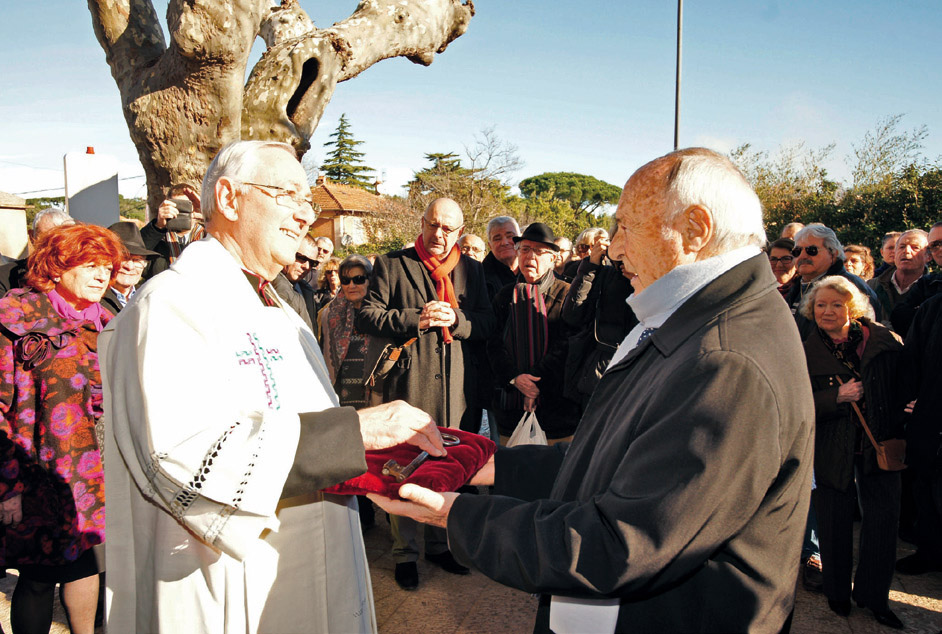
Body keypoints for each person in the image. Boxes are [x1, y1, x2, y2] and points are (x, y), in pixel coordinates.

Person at [370, 148, 815, 633]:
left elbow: (621, 544)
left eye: (626, 227)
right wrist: (476, 462)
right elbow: (611, 462)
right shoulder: (700, 324)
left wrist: (455, 516)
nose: (617, 249)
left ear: (694, 230)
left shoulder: (726, 361)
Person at [99, 140, 447, 634]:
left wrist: (381, 459)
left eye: (308, 202)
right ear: (228, 197)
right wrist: (352, 433)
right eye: (289, 195)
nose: (305, 215)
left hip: (319, 549)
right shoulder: (172, 305)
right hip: (232, 574)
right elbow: (182, 457)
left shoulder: (281, 313)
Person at [357, 197, 495, 591]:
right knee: (404, 465)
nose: (439, 234)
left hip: (457, 388)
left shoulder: (472, 270)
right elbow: (367, 316)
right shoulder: (392, 264)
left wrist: (460, 320)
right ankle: (405, 554)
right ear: (422, 223)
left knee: (448, 465)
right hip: (409, 382)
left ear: (460, 229)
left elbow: (488, 323)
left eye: (448, 228)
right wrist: (413, 319)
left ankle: (440, 545)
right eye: (433, 225)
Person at [0, 223, 126, 634]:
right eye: (90, 264)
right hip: (38, 474)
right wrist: (9, 487)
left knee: (87, 565)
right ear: (56, 266)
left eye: (107, 266)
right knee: (38, 579)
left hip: (97, 475)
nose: (101, 274)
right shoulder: (17, 316)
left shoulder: (108, 322)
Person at [800, 276, 905, 629]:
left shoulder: (884, 340)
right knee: (833, 522)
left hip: (881, 443)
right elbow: (796, 403)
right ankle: (837, 595)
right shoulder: (805, 350)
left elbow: (905, 379)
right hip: (833, 445)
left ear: (854, 308)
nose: (827, 311)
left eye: (836, 304)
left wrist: (910, 402)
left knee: (883, 522)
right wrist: (836, 397)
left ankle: (875, 598)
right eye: (820, 305)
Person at [488, 223, 582, 443]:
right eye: (525, 249)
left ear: (553, 259)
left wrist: (534, 384)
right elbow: (493, 343)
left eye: (540, 252)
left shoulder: (567, 294)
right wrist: (514, 378)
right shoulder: (504, 295)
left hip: (556, 409)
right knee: (513, 471)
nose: (531, 256)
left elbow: (566, 346)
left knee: (555, 471)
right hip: (510, 405)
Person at [560, 226, 637, 407]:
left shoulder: (657, 276)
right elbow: (572, 314)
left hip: (636, 375)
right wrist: (590, 266)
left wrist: (642, 281)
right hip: (598, 375)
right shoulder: (605, 273)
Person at [894, 291, 942, 577]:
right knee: (925, 489)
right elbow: (911, 358)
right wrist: (910, 401)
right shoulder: (933, 307)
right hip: (927, 417)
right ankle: (930, 552)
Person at [784, 224, 883, 337]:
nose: (802, 256)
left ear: (833, 253)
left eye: (811, 250)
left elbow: (862, 340)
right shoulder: (799, 286)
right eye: (797, 251)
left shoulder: (849, 287)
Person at [0, 208, 75, 295]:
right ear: (32, 237)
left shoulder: (84, 275)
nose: (54, 245)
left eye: (62, 239)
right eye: (46, 238)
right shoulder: (6, 276)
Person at [140, 182, 205, 280]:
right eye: (177, 206)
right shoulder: (157, 239)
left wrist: (209, 218)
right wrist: (158, 226)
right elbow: (134, 254)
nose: (181, 212)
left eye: (186, 205)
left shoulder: (209, 237)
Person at [891, 221, 942, 336]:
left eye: (915, 248)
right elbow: (899, 320)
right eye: (935, 245)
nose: (940, 249)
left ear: (927, 256)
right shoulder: (927, 284)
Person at [867, 229, 928, 319]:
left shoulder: (934, 290)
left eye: (915, 247)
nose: (906, 251)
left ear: (929, 256)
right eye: (902, 247)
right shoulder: (871, 287)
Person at [100, 221, 158, 314]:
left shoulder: (149, 296)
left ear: (144, 264)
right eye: (123, 258)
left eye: (137, 260)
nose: (129, 266)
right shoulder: (94, 298)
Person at [271, 233, 320, 329]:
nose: (306, 266)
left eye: (312, 263)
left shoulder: (307, 291)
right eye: (301, 258)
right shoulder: (274, 285)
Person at [482, 216, 520, 300]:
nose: (504, 242)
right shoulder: (480, 276)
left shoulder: (533, 269)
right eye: (497, 239)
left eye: (510, 236)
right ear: (490, 246)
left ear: (520, 239)